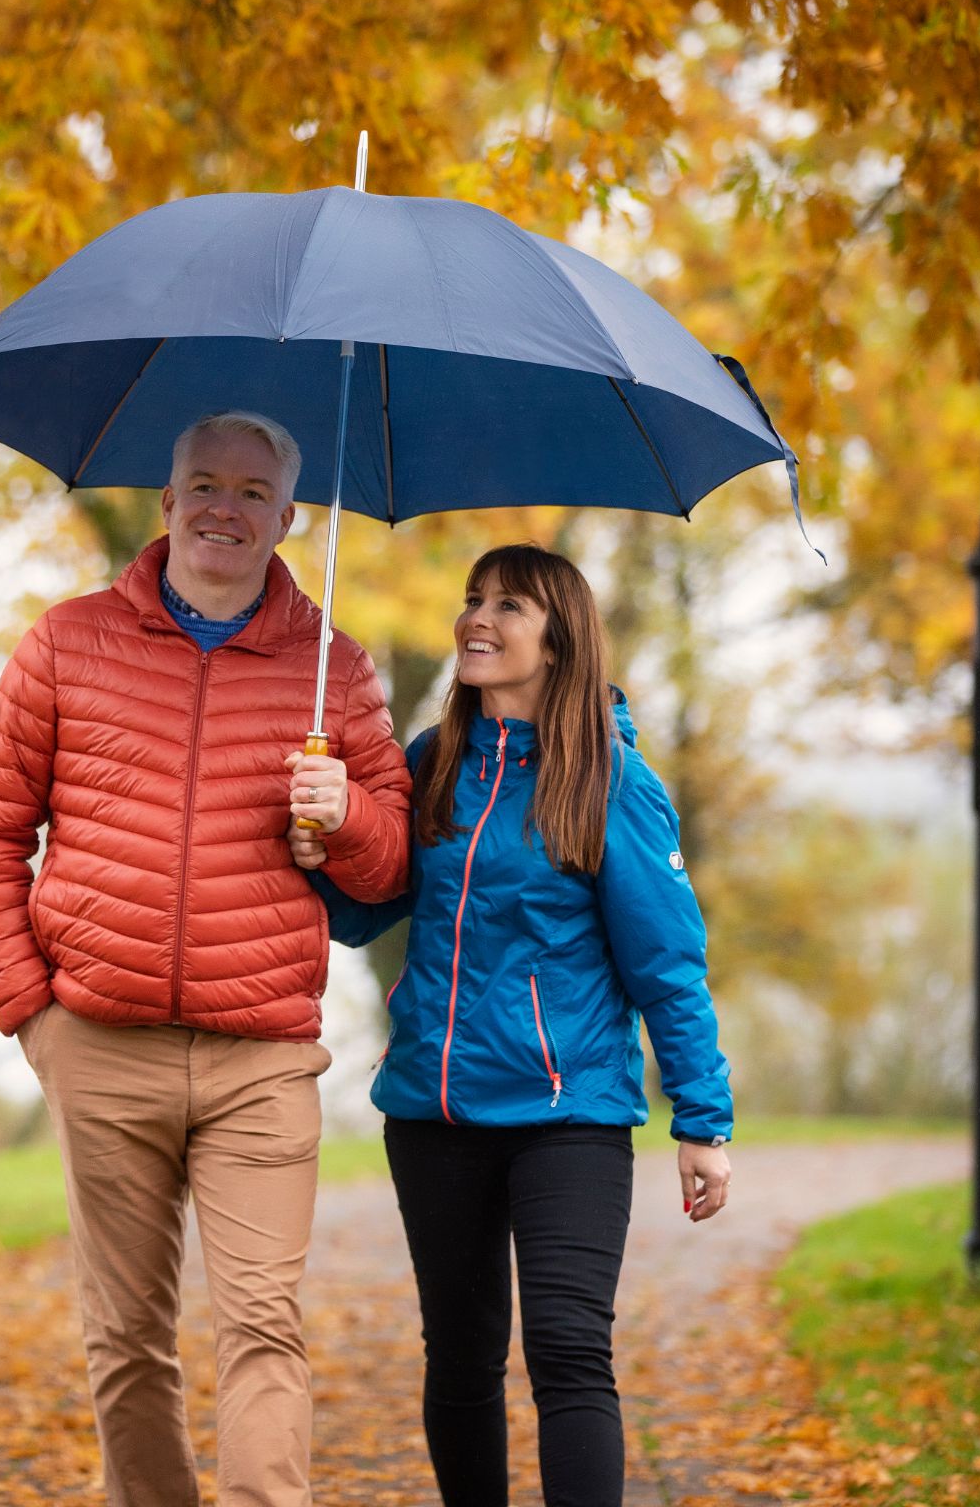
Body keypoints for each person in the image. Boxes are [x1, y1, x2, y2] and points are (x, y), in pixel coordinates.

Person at [0, 410, 413, 1507]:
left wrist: (343, 815)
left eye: (253, 492)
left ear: (287, 518)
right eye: (204, 483)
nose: (225, 507)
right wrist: (33, 1014)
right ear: (166, 503)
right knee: (125, 1336)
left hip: (260, 1058)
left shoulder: (332, 671)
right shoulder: (66, 642)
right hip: (100, 1046)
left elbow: (394, 867)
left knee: (261, 1323)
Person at [288, 541, 734, 1507]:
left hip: (566, 1112)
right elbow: (367, 913)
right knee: (459, 1357)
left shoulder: (610, 779)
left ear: (562, 639)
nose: (477, 620)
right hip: (433, 1113)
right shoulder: (432, 762)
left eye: (510, 607)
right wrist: (323, 843)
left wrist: (702, 1119)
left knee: (570, 1350)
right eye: (471, 599)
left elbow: (668, 964)